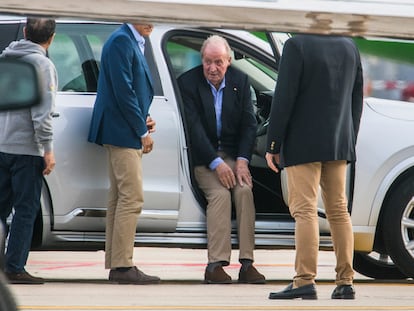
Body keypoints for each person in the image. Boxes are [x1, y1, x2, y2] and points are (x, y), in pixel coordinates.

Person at [265, 34, 363, 299]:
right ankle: (345, 282)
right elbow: (356, 98)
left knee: (305, 210)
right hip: (338, 142)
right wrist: (349, 138)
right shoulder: (349, 45)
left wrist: (273, 144)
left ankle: (304, 280)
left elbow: (283, 99)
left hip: (303, 142)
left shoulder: (296, 45)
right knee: (339, 211)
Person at [178, 35, 265, 284]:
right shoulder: (188, 83)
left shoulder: (240, 80)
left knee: (245, 191)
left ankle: (247, 264)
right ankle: (215, 265)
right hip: (204, 158)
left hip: (232, 155)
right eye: (207, 61)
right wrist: (217, 164)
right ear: (201, 60)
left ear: (228, 61)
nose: (212, 68)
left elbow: (249, 125)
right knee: (220, 195)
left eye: (218, 62)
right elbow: (194, 130)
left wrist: (242, 160)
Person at [88, 23, 160, 285]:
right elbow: (123, 90)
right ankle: (122, 264)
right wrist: (141, 130)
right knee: (131, 196)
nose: (152, 20)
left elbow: (133, 90)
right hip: (122, 131)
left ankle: (117, 263)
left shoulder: (130, 39)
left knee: (119, 197)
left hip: (123, 127)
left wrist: (145, 117)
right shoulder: (121, 41)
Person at [0, 17, 57, 284]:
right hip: (26, 149)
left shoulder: (6, 59)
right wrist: (47, 149)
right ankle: (14, 267)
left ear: (24, 31)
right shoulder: (42, 65)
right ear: (52, 37)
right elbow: (42, 112)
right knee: (26, 209)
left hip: (1, 145)